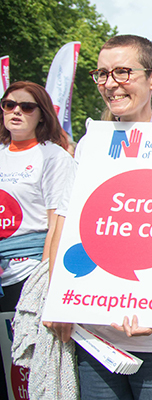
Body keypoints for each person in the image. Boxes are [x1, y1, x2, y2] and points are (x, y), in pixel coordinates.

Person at [44, 34, 152, 400]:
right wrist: (59, 299)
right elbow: (65, 223)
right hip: (95, 336)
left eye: (122, 72)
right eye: (102, 74)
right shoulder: (90, 145)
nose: (110, 83)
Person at [0, 81, 76, 395]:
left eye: (26, 106)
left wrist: (47, 288)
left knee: (25, 366)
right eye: (8, 104)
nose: (16, 111)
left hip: (28, 275)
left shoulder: (53, 158)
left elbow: (56, 224)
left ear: (41, 116)